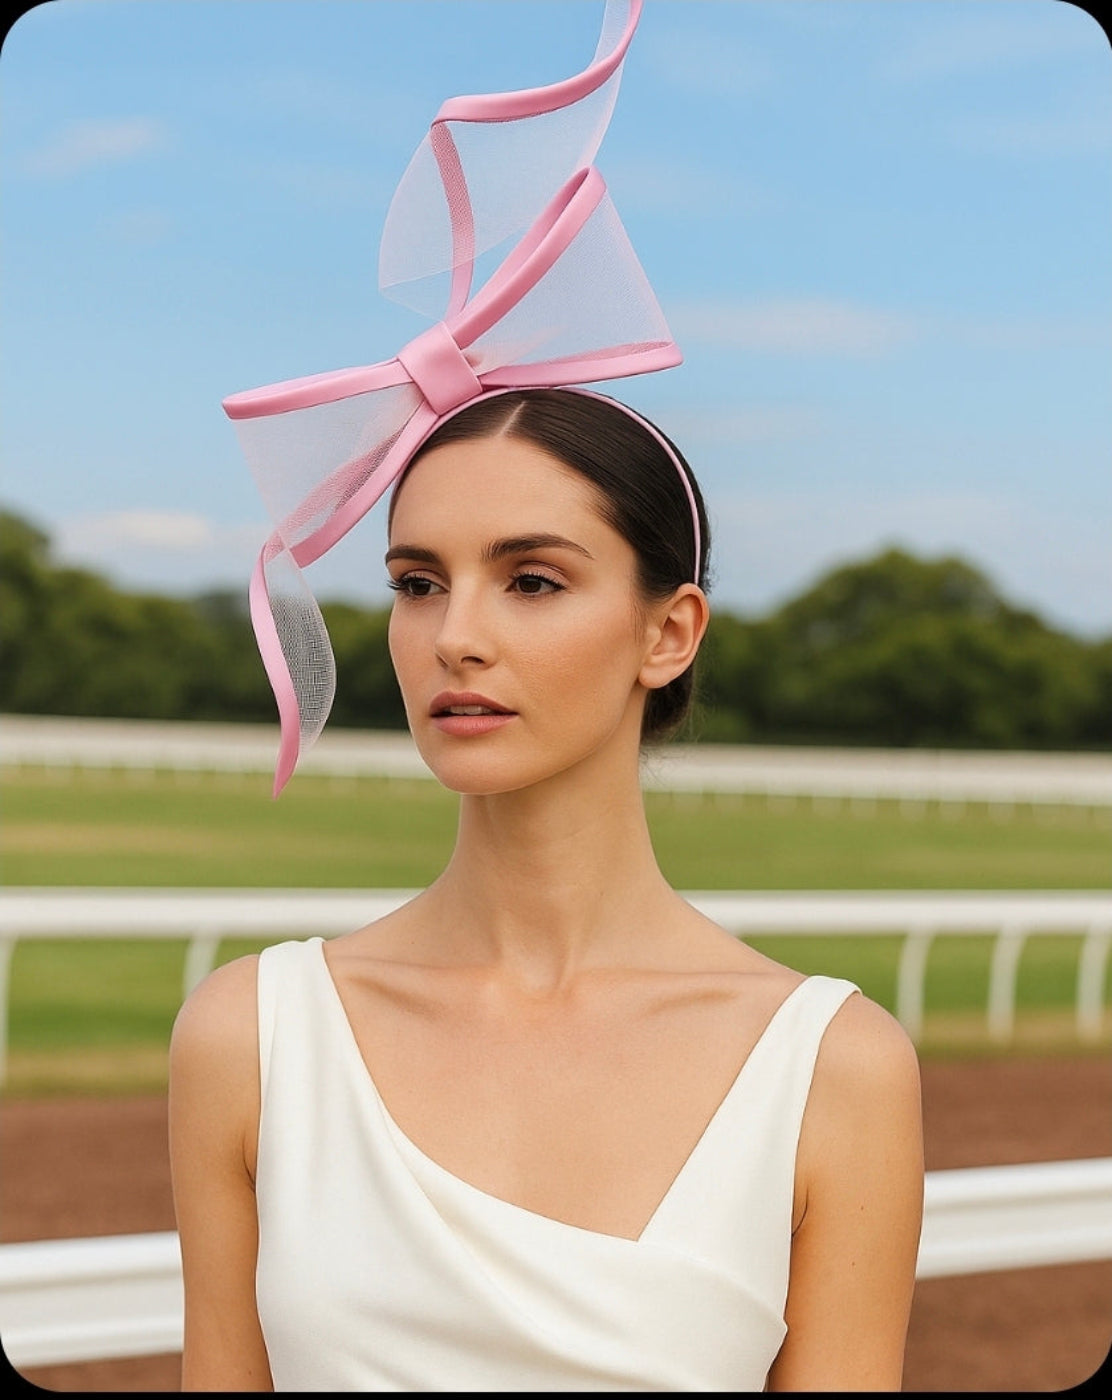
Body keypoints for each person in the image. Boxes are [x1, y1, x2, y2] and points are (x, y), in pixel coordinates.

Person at [169, 4, 923, 1389]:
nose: (454, 636)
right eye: (413, 580)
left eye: (531, 580)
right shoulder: (250, 1037)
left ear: (668, 631)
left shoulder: (834, 1070)